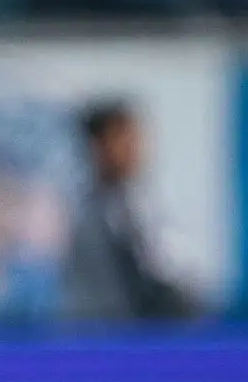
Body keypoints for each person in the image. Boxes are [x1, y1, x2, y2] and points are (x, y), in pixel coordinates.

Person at [64, 99, 199, 322]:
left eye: (135, 139)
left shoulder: (146, 207)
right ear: (96, 146)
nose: (133, 149)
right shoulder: (74, 211)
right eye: (122, 139)